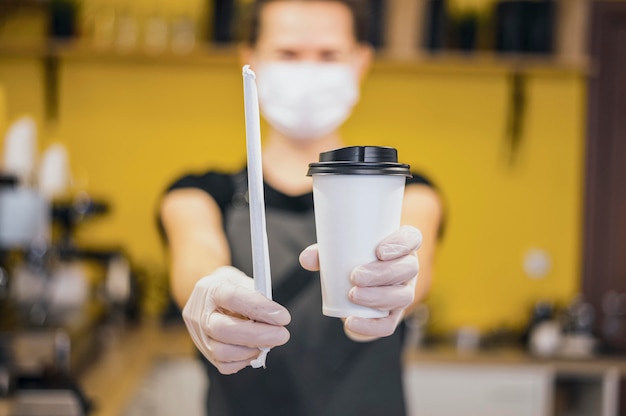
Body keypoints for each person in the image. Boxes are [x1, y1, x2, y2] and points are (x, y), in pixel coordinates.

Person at [159, 0, 443, 414]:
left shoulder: (406, 192)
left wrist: (395, 288)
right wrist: (214, 289)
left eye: (328, 56)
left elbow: (418, 263)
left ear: (360, 63)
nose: (309, 71)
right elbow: (195, 258)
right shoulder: (199, 194)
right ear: (250, 60)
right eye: (288, 54)